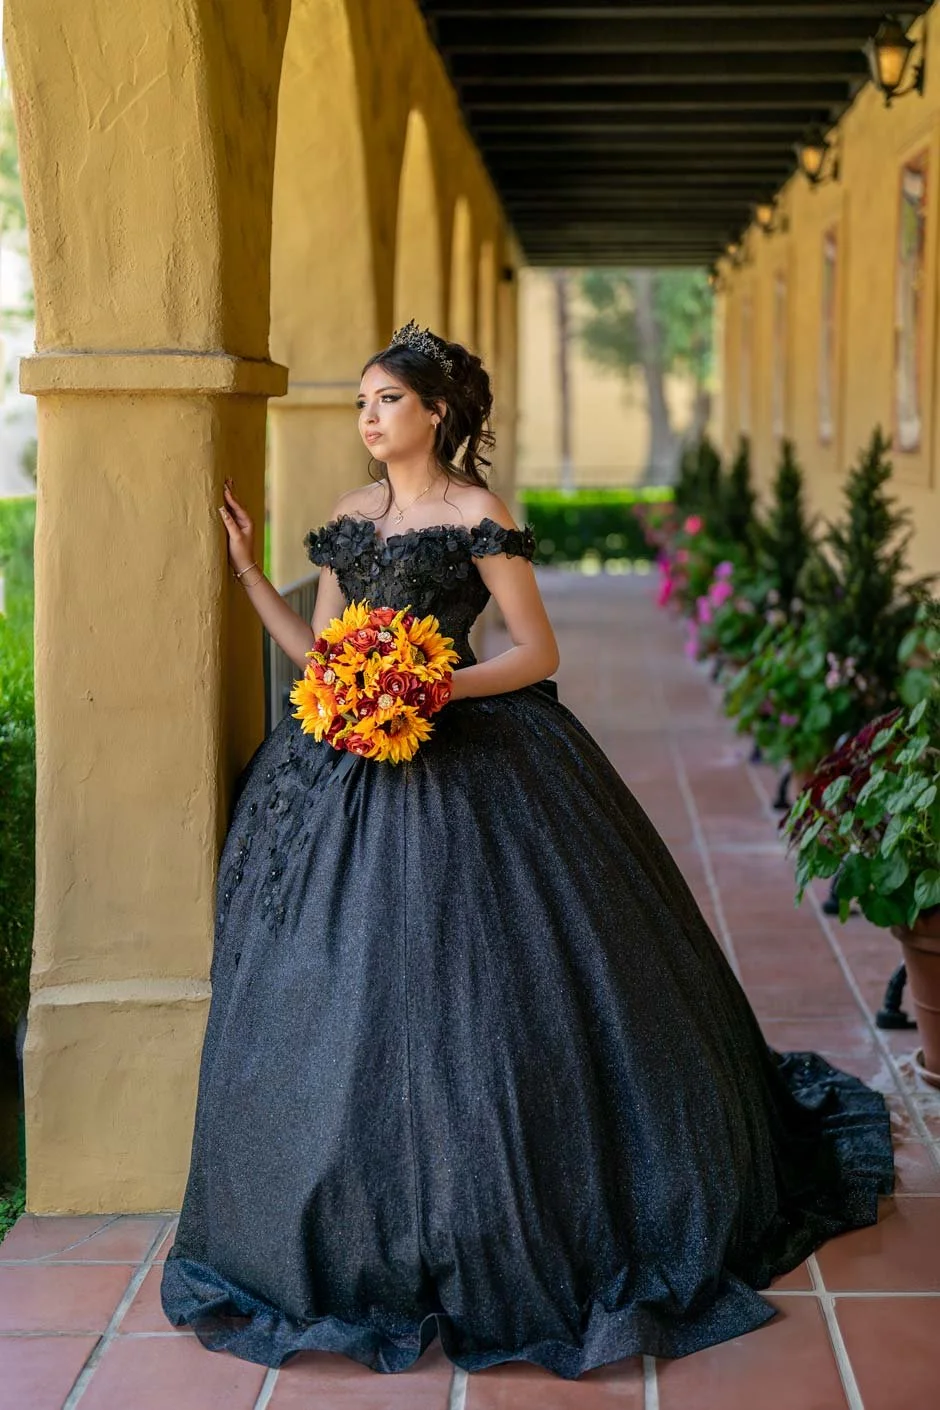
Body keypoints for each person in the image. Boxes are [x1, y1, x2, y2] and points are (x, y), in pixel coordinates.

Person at [160, 320, 894, 1381]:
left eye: (387, 401)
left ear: (438, 414)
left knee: (487, 990)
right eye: (361, 402)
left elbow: (535, 652)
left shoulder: (480, 517)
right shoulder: (349, 516)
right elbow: (322, 653)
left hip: (469, 755)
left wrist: (431, 685)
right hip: (344, 763)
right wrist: (249, 581)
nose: (367, 418)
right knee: (343, 983)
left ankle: (504, 1203)